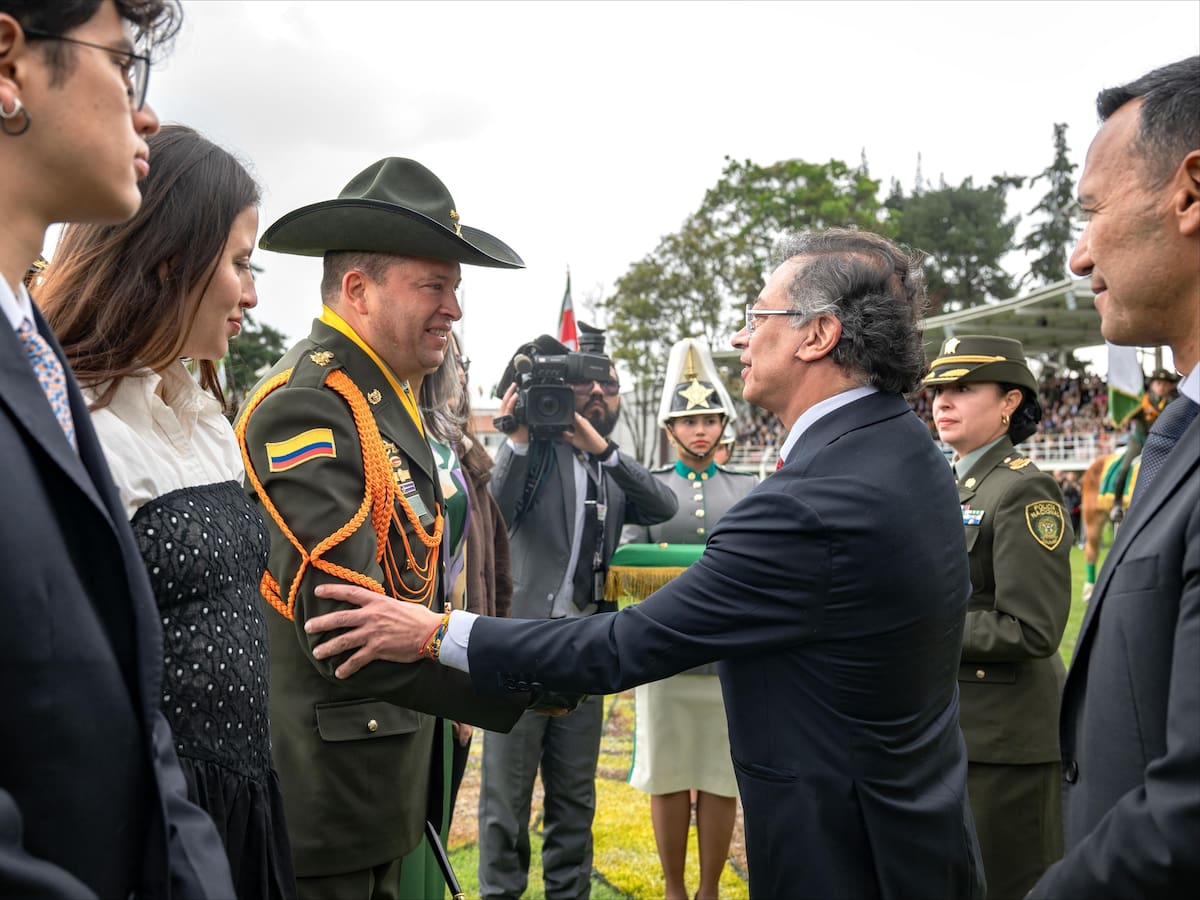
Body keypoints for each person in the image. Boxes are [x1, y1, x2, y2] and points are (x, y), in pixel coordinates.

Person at [305, 227, 987, 900]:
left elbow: (624, 645)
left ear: (818, 335)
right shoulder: (907, 449)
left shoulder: (808, 504)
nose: (740, 339)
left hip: (843, 856)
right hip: (918, 835)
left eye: (758, 318)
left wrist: (433, 632)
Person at [234, 157, 531, 900]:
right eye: (434, 286)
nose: (454, 309)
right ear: (358, 290)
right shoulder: (309, 404)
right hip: (332, 796)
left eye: (455, 289)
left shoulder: (382, 397)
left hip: (385, 776)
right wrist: (523, 673)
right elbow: (343, 626)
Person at [0, 2, 238, 896]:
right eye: (123, 63)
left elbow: (131, 703)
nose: (147, 114)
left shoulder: (38, 357)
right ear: (9, 65)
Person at [38, 123, 297, 900]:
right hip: (149, 820)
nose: (252, 294)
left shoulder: (202, 416)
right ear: (168, 261)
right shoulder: (74, 424)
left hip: (240, 800)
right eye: (240, 263)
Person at [1028, 56, 1200, 897]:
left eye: (1093, 212)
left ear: (1191, 194)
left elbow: (1187, 815)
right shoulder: (1179, 433)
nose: (1077, 256)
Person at [468, 322, 676, 900]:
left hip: (585, 650)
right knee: (504, 803)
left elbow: (662, 504)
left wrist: (603, 451)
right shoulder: (532, 454)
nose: (599, 394)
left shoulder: (611, 464)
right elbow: (495, 513)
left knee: (575, 800)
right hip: (520, 650)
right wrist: (516, 440)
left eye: (610, 387)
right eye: (589, 385)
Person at [925, 335, 1072, 899]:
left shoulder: (1023, 488)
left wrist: (918, 629)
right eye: (939, 389)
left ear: (1010, 401)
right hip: (959, 728)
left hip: (1008, 739)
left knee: (1009, 886)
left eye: (964, 388)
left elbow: (1031, 627)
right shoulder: (956, 482)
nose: (943, 400)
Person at [617, 337, 755, 900]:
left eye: (709, 419)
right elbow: (626, 559)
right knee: (669, 776)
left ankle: (709, 890)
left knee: (722, 778)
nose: (701, 430)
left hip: (728, 662)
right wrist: (711, 565)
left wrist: (676, 562)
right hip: (666, 656)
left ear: (723, 425)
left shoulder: (748, 487)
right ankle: (675, 889)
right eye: (689, 420)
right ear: (670, 428)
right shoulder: (650, 489)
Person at [1108, 366, 1181, 520]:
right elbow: (1126, 415)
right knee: (1125, 468)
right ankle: (1117, 504)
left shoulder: (1175, 403)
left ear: (1169, 386)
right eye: (1158, 383)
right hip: (1140, 440)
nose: (1161, 387)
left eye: (1165, 384)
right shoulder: (1141, 401)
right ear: (1152, 385)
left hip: (1163, 443)